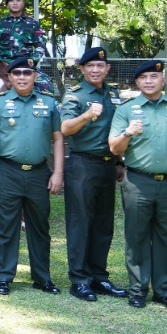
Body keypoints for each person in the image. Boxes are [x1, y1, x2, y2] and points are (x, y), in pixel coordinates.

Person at [108, 59, 167, 309]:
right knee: (137, 236)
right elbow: (114, 148)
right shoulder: (126, 110)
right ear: (137, 82)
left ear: (163, 79)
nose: (149, 81)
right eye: (143, 78)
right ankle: (138, 289)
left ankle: (163, 290)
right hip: (138, 181)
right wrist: (128, 132)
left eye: (154, 76)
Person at [0, 55, 64, 296]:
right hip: (7, 171)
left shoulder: (48, 103)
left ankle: (42, 277)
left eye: (27, 73)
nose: (22, 77)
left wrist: (58, 173)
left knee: (39, 226)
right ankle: (3, 277)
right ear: (9, 77)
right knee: (4, 226)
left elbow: (58, 138)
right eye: (17, 73)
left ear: (35, 76)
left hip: (39, 173)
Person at [57, 46, 127, 301]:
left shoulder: (113, 94)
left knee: (103, 224)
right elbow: (66, 128)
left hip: (107, 165)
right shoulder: (75, 95)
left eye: (100, 66)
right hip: (82, 165)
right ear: (82, 69)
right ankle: (79, 280)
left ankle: (99, 277)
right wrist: (87, 115)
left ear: (107, 68)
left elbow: (115, 130)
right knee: (80, 223)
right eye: (90, 66)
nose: (95, 70)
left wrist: (119, 163)